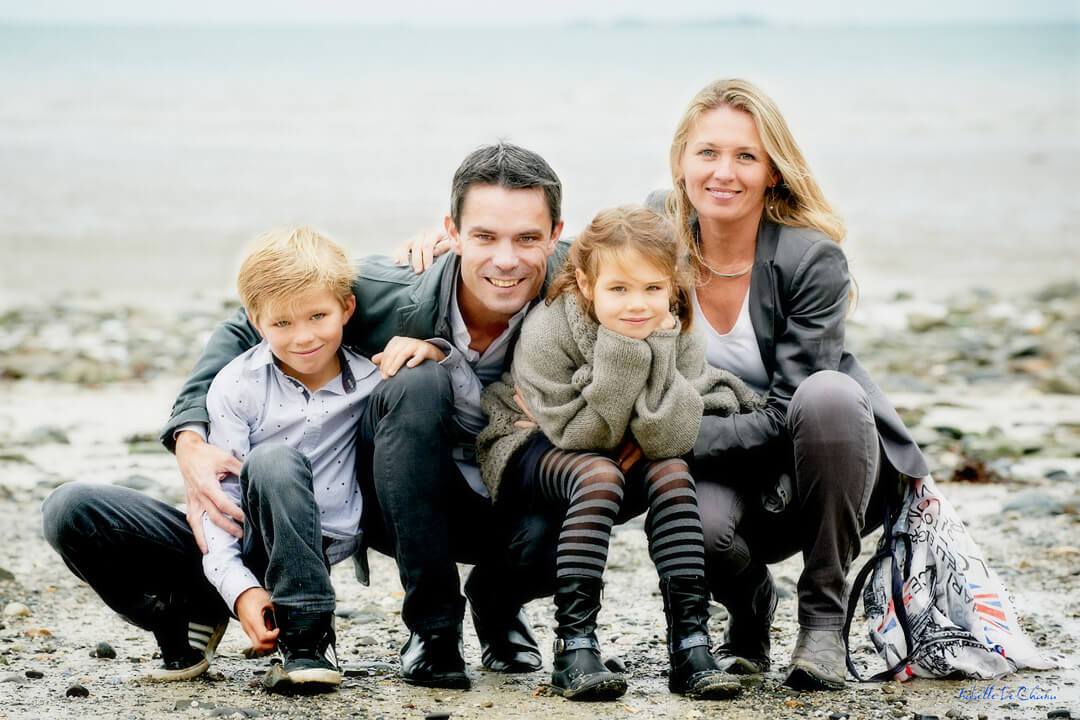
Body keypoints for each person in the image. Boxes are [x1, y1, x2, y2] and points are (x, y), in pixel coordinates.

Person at [159, 142, 571, 689]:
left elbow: (659, 264)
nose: (505, 259)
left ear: (556, 232)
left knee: (607, 472)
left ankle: (498, 601)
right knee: (418, 379)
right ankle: (434, 630)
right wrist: (189, 437)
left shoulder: (582, 286)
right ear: (450, 230)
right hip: (397, 499)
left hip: (512, 489)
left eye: (527, 237)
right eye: (484, 236)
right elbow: (250, 322)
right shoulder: (382, 288)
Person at [652, 78, 929, 691]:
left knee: (826, 393)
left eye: (746, 156)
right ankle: (751, 605)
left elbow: (787, 413)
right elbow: (562, 266)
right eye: (708, 153)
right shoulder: (654, 234)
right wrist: (447, 251)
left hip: (818, 460)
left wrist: (666, 438)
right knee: (695, 527)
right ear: (680, 162)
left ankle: (823, 621)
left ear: (773, 171)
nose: (724, 172)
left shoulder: (810, 259)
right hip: (726, 462)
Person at [476, 206, 762, 700]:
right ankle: (575, 646)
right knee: (599, 476)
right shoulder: (549, 328)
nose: (638, 305)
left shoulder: (678, 329)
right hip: (531, 443)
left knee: (672, 470)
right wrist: (626, 353)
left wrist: (657, 363)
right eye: (619, 289)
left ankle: (690, 646)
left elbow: (670, 438)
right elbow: (579, 433)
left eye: (653, 289)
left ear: (672, 285)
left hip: (616, 441)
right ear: (587, 284)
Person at [199, 226, 391, 689]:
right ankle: (196, 622)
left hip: (326, 536)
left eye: (318, 316)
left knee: (275, 460)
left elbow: (461, 407)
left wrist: (434, 352)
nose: (303, 337)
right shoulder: (236, 384)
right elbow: (220, 497)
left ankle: (307, 641)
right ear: (256, 321)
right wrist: (239, 586)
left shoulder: (372, 380)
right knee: (272, 460)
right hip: (252, 530)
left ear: (346, 308)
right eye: (281, 323)